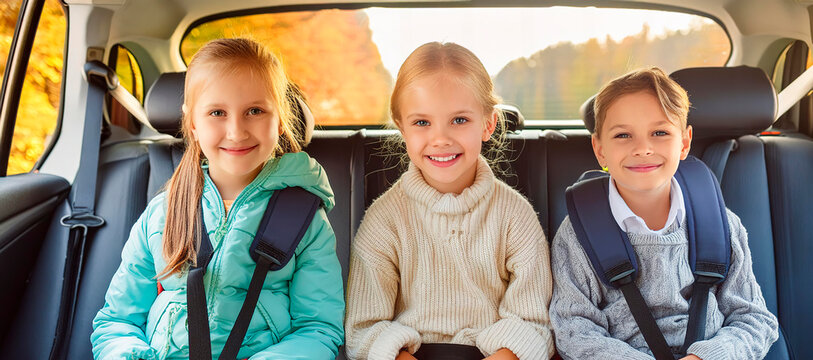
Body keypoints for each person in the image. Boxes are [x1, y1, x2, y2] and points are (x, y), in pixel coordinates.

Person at [90, 38, 344, 359]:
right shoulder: (163, 213)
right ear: (193, 123)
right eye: (217, 112)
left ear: (279, 119)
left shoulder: (303, 218)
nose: (236, 131)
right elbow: (117, 320)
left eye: (255, 110)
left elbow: (318, 328)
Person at [549, 67, 778, 359]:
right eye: (623, 135)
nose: (643, 148)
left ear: (684, 142)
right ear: (600, 149)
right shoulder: (579, 233)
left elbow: (754, 319)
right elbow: (573, 330)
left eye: (659, 132)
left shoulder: (720, 225)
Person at [344, 42, 554, 360]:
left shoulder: (515, 215)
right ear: (402, 127)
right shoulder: (384, 219)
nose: (440, 138)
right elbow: (364, 327)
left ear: (488, 124)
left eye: (459, 120)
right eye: (422, 123)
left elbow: (533, 323)